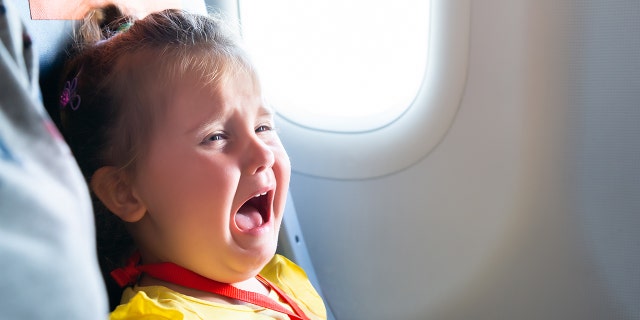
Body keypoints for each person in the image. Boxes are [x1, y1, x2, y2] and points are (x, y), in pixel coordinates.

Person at [57, 4, 326, 319]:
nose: (264, 154)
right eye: (216, 137)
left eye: (262, 127)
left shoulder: (284, 280)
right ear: (125, 192)